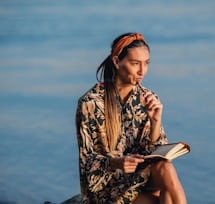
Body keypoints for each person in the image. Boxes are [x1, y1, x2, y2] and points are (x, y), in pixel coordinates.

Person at [75, 32, 187, 204]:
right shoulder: (91, 103)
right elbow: (87, 163)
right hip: (108, 188)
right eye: (135, 64)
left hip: (140, 178)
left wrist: (155, 121)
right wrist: (116, 163)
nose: (142, 71)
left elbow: (156, 154)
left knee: (165, 167)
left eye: (146, 63)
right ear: (116, 61)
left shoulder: (147, 98)